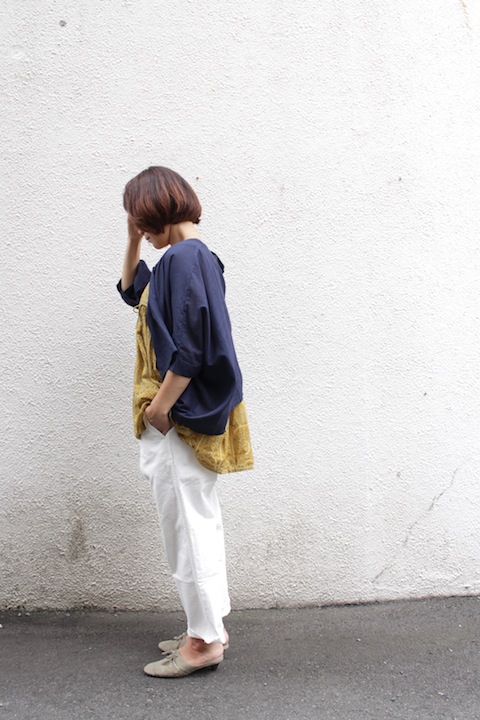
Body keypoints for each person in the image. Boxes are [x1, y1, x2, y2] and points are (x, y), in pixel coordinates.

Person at [117, 166, 254, 678]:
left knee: (186, 529)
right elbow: (131, 291)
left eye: (139, 218)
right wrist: (133, 240)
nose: (138, 228)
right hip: (185, 414)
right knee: (198, 520)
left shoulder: (183, 258)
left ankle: (202, 643)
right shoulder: (190, 258)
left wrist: (159, 409)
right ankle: (210, 626)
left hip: (177, 416)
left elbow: (191, 349)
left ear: (156, 209)